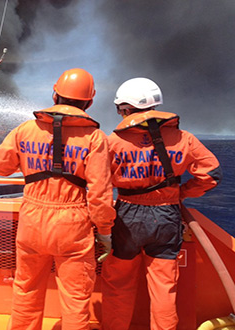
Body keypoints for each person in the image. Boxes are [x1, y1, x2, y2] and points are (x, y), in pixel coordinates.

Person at [0, 68, 116, 330]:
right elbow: (100, 193)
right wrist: (104, 232)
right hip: (73, 225)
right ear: (89, 102)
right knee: (75, 297)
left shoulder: (26, 129)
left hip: (32, 222)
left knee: (26, 290)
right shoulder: (94, 138)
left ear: (54, 94)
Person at [101, 77, 222, 330]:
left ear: (126, 108)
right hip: (167, 216)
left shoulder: (113, 142)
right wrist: (182, 192)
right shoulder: (184, 138)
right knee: (163, 287)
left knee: (119, 284)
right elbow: (212, 174)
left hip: (127, 218)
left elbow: (98, 184)